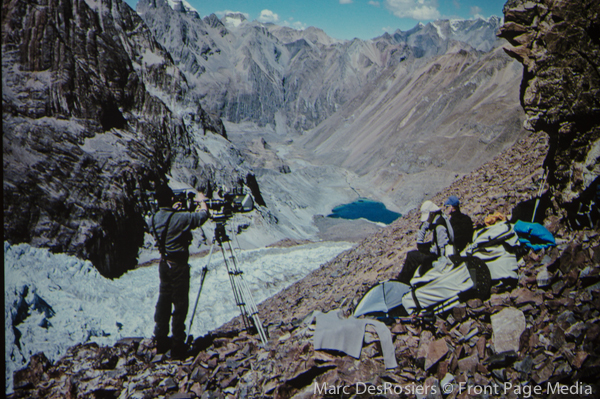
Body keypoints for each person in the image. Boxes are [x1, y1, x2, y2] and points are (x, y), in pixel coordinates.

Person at [150, 184, 209, 359]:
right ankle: (178, 346)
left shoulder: (152, 219)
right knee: (180, 304)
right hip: (178, 266)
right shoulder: (180, 218)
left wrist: (173, 210)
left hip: (164, 264)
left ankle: (160, 340)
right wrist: (202, 201)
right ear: (171, 199)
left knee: (164, 299)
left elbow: (167, 219)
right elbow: (201, 217)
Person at [397, 200, 450, 284]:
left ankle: (402, 281)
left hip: (436, 257)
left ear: (432, 214)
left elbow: (443, 247)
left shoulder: (439, 227)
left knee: (412, 256)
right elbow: (424, 226)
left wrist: (438, 265)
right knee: (416, 253)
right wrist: (420, 242)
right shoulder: (438, 218)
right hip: (435, 251)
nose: (427, 220)